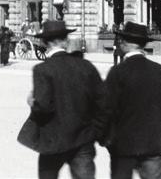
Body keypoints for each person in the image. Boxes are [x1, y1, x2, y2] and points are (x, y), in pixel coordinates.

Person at [21, 20, 104, 179]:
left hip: (52, 139)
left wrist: (32, 102)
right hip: (82, 139)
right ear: (66, 41)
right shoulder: (85, 66)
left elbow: (43, 107)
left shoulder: (42, 69)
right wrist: (95, 131)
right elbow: (102, 102)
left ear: (46, 43)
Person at [96, 21, 161, 179]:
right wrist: (151, 119)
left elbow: (106, 108)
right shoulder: (159, 70)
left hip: (123, 144)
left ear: (124, 43)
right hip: (152, 143)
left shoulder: (117, 72)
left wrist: (103, 137)